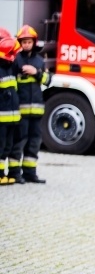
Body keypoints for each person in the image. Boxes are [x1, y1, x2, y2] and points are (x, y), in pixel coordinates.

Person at [9, 25, 49, 184]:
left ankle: (30, 173)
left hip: (37, 111)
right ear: (20, 43)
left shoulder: (39, 61)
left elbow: (48, 80)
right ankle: (14, 173)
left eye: (29, 42)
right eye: (24, 42)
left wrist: (36, 72)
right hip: (21, 111)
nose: (26, 45)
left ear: (34, 42)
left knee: (34, 142)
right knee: (19, 142)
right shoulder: (15, 60)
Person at [0, 28, 21, 185]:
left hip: (12, 118)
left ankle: (3, 174)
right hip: (1, 119)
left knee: (7, 147)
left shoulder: (9, 67)